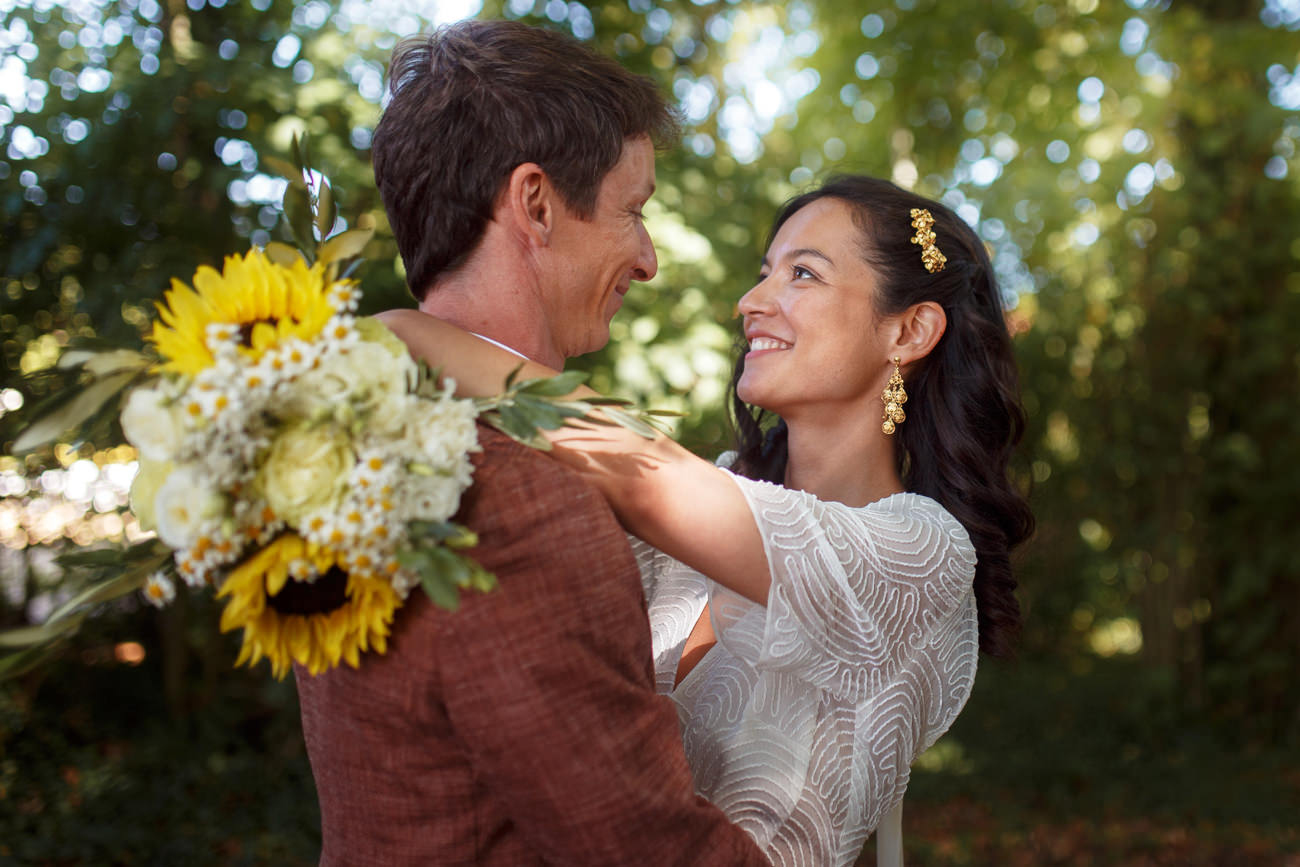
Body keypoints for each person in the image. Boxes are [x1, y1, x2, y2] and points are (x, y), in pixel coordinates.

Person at [380, 175, 1035, 866]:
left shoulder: (923, 554)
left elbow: (638, 471)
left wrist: (403, 334)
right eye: (762, 275)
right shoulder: (706, 507)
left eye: (802, 274)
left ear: (908, 329)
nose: (750, 303)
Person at [294, 20, 769, 866]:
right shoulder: (514, 496)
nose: (649, 258)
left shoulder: (355, 448)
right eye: (633, 211)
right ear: (536, 204)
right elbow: (644, 851)